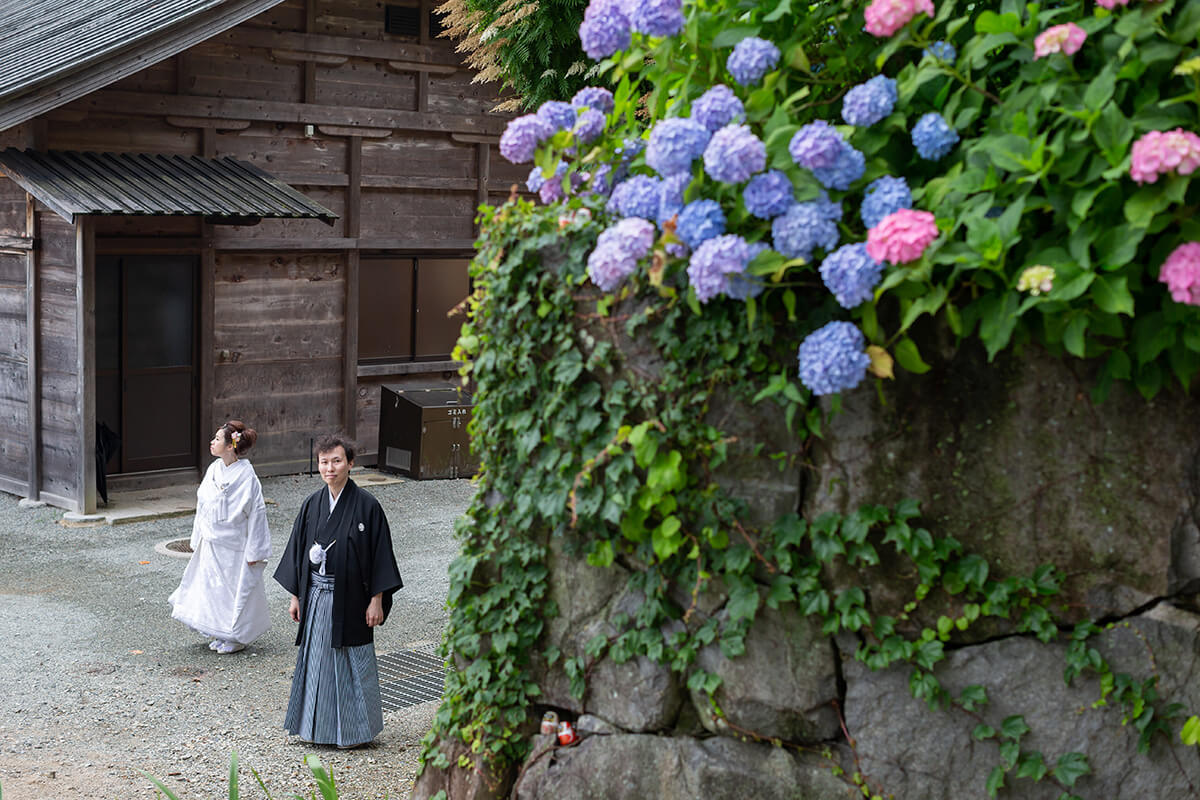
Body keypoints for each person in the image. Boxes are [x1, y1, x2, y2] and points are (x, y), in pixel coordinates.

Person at [274, 434, 403, 749]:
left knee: (351, 660)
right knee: (316, 659)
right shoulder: (312, 505)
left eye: (336, 461)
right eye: (323, 462)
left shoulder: (367, 506)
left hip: (353, 599)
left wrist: (377, 601)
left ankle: (356, 731)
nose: (329, 468)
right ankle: (315, 728)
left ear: (351, 463)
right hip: (317, 596)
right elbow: (297, 551)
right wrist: (296, 596)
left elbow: (379, 555)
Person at [168, 421, 271, 655]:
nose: (212, 442)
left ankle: (236, 637)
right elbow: (202, 504)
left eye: (217, 439)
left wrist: (256, 550)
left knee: (233, 591)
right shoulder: (214, 469)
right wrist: (198, 537)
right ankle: (219, 631)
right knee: (211, 589)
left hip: (235, 544)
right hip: (212, 540)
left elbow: (257, 513)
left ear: (230, 446)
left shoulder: (247, 476)